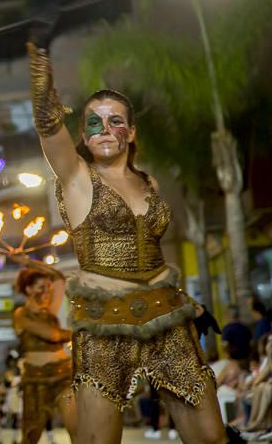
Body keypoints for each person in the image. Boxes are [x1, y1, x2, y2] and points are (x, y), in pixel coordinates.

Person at [26, 38, 226, 443]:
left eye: (115, 121)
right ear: (83, 133)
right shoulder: (78, 179)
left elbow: (152, 257)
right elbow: (48, 124)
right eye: (94, 123)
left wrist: (191, 306)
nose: (104, 130)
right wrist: (41, 57)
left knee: (210, 437)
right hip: (104, 328)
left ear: (131, 132)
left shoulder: (149, 182)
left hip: (167, 320)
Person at [12, 267, 75, 444]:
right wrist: (80, 333)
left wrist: (28, 262)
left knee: (75, 427)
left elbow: (59, 278)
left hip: (63, 375)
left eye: (49, 287)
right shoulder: (21, 314)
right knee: (31, 434)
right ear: (28, 289)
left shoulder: (49, 312)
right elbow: (52, 335)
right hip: (36, 380)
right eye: (41, 287)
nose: (47, 291)